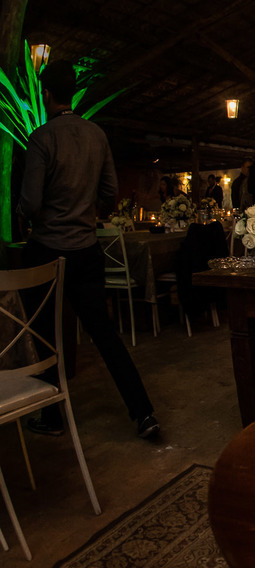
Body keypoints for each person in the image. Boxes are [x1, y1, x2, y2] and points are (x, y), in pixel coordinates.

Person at [17, 62, 159, 439]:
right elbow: (110, 192)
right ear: (73, 93)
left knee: (45, 333)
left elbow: (30, 203)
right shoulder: (96, 135)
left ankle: (51, 416)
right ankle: (143, 412)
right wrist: (90, 212)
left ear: (45, 95)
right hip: (86, 250)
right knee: (104, 332)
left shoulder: (42, 138)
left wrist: (30, 215)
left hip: (47, 250)